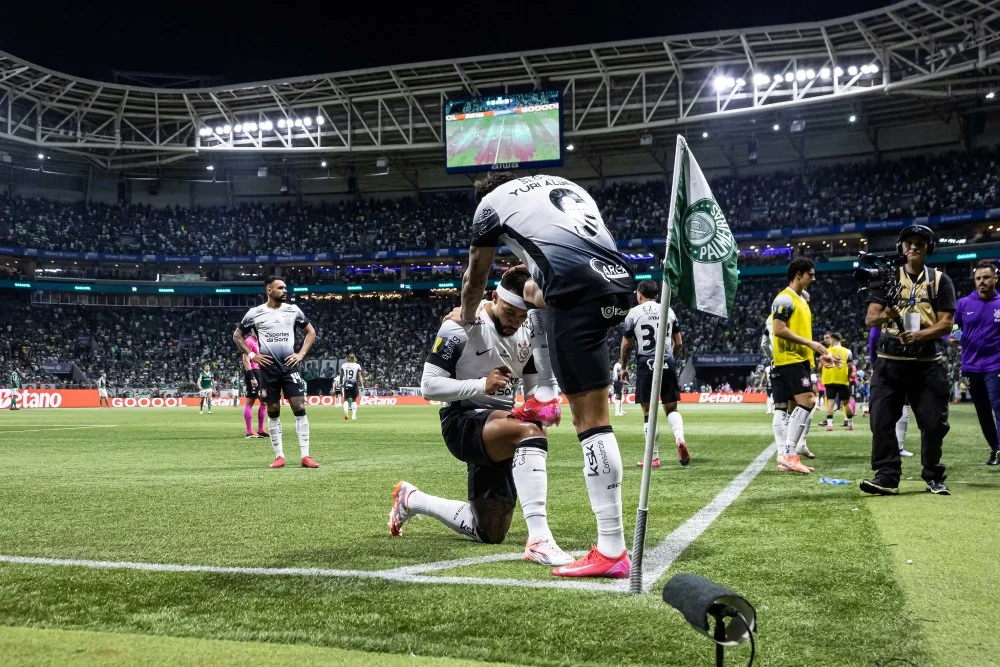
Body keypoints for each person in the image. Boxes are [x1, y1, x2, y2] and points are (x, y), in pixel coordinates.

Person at [458, 172, 634, 579]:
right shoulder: (562, 183)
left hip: (576, 293)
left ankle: (611, 548)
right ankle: (543, 394)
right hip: (617, 285)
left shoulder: (489, 206)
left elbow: (475, 277)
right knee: (539, 293)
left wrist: (468, 317)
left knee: (591, 422)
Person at [390, 266, 572, 566]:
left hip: (499, 426)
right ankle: (540, 539)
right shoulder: (460, 325)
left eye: (522, 314)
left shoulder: (527, 334)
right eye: (510, 311)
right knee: (530, 432)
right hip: (462, 422)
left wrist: (543, 403)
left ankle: (412, 499)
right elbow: (429, 386)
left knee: (491, 531)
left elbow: (532, 392)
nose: (516, 320)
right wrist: (481, 384)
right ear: (493, 297)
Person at [861, 225, 955, 496]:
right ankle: (887, 476)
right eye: (908, 242)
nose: (913, 246)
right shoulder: (887, 277)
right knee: (880, 420)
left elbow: (946, 324)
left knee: (935, 423)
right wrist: (889, 315)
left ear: (929, 248)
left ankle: (933, 474)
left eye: (920, 243)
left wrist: (920, 335)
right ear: (900, 248)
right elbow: (871, 318)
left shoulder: (939, 280)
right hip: (889, 362)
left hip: (927, 362)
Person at [234, 276, 319, 469]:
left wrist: (301, 354)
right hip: (268, 369)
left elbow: (311, 332)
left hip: (289, 365)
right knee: (273, 411)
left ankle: (305, 455)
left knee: (299, 407)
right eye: (280, 288)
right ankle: (279, 456)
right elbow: (237, 335)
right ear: (269, 291)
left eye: (285, 288)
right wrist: (252, 355)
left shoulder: (293, 310)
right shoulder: (255, 313)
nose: (284, 291)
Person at [769, 258, 837, 473]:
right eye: (811, 274)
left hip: (799, 359)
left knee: (793, 407)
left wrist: (816, 356)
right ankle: (789, 453)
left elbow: (799, 332)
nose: (814, 278)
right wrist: (810, 343)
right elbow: (779, 329)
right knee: (808, 400)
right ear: (798, 274)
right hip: (789, 359)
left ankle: (786, 457)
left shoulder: (801, 301)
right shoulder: (784, 299)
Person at [619, 280, 690, 469]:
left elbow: (626, 344)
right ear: (657, 295)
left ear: (639, 294)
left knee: (648, 413)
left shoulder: (634, 313)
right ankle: (680, 438)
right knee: (671, 408)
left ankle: (654, 457)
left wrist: (624, 366)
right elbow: (679, 342)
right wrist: (671, 360)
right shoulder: (669, 310)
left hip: (645, 363)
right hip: (667, 361)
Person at [953, 260, 1000, 466]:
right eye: (978, 278)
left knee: (998, 407)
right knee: (982, 410)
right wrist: (956, 336)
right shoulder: (963, 303)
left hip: (996, 365)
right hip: (971, 366)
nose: (982, 282)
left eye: (986, 277)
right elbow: (955, 326)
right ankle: (996, 449)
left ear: (995, 278)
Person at [821, 332, 854, 431]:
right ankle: (850, 424)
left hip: (830, 380)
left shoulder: (826, 351)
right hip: (842, 380)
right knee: (846, 403)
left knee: (830, 403)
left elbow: (820, 365)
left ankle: (830, 425)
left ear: (833, 339)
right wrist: (847, 376)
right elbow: (850, 366)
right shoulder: (847, 351)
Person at [242, 331, 267, 439]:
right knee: (250, 402)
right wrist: (252, 377)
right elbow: (245, 360)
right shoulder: (249, 341)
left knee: (264, 401)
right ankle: (249, 432)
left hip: (261, 373)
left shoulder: (260, 341)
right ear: (252, 329)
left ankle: (261, 430)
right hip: (254, 373)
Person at [340, 354, 364, 420]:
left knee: (346, 399)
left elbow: (341, 375)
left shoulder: (344, 365)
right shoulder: (357, 365)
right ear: (354, 358)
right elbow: (359, 376)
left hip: (346, 382)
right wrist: (362, 385)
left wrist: (341, 383)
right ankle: (353, 416)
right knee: (354, 400)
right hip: (354, 383)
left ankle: (346, 412)